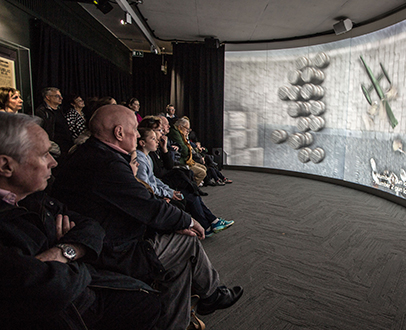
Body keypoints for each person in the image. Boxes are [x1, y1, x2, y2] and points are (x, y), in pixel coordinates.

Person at [52, 105, 243, 330]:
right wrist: (189, 221)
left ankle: (184, 316)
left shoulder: (92, 154)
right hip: (113, 250)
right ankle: (209, 296)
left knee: (179, 257)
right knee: (186, 240)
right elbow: (147, 205)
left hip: (107, 240)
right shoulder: (108, 164)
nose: (138, 133)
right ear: (119, 133)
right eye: (135, 128)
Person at [0, 112, 161, 330]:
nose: (53, 162)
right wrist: (77, 257)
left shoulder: (36, 198)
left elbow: (91, 227)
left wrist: (65, 251)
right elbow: (47, 288)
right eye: (44, 154)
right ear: (6, 166)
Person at [136, 127, 234, 237]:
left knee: (192, 192)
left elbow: (154, 179)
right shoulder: (140, 160)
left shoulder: (147, 157)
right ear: (142, 143)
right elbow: (147, 186)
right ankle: (208, 225)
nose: (157, 141)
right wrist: (168, 193)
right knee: (190, 196)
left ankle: (212, 222)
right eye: (153, 139)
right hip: (156, 195)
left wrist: (169, 191)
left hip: (163, 188)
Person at [35, 87, 73, 161]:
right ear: (48, 97)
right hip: (55, 149)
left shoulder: (59, 110)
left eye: (60, 96)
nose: (61, 98)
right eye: (57, 96)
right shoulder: (42, 111)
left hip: (66, 146)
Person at [168, 117, 208, 187]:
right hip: (181, 161)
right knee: (202, 173)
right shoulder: (175, 133)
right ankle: (191, 189)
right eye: (187, 129)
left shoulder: (182, 134)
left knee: (204, 168)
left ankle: (192, 186)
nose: (188, 131)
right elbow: (185, 151)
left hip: (187, 159)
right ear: (180, 127)